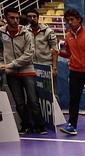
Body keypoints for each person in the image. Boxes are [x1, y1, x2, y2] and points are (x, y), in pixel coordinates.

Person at [0, 7, 46, 135]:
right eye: (12, 18)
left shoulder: (26, 33)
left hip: (27, 70)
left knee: (33, 100)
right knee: (19, 102)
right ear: (5, 18)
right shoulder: (1, 33)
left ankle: (40, 125)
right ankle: (26, 125)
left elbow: (29, 55)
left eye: (17, 18)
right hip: (11, 73)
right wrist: (2, 63)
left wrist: (10, 64)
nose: (15, 20)